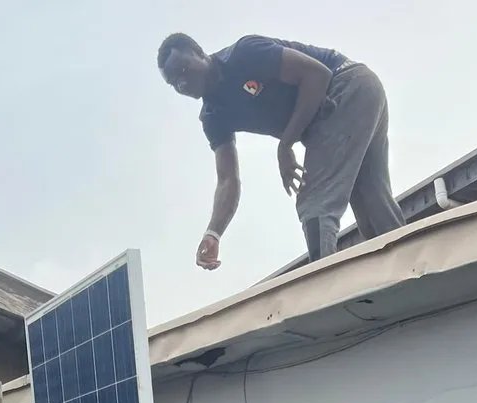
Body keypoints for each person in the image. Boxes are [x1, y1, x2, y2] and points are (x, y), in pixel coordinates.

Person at [157, 32, 406, 265]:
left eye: (183, 70)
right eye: (174, 83)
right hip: (353, 102)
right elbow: (227, 180)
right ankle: (414, 268)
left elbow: (317, 75)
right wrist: (213, 233)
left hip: (345, 85)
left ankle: (325, 289)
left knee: (314, 203)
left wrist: (285, 144)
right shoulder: (213, 117)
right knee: (372, 205)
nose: (183, 83)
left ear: (199, 53)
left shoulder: (243, 54)